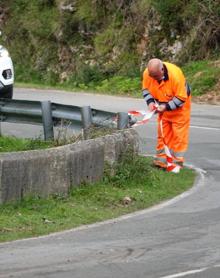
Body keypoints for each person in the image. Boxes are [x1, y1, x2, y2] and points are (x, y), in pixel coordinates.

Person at [142, 58, 191, 170]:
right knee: (163, 133)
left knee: (178, 135)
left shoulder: (175, 75)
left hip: (179, 108)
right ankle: (161, 161)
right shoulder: (147, 73)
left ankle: (176, 163)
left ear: (162, 70)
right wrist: (150, 103)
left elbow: (181, 98)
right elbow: (145, 90)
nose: (154, 79)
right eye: (152, 77)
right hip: (162, 105)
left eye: (156, 76)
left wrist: (165, 107)